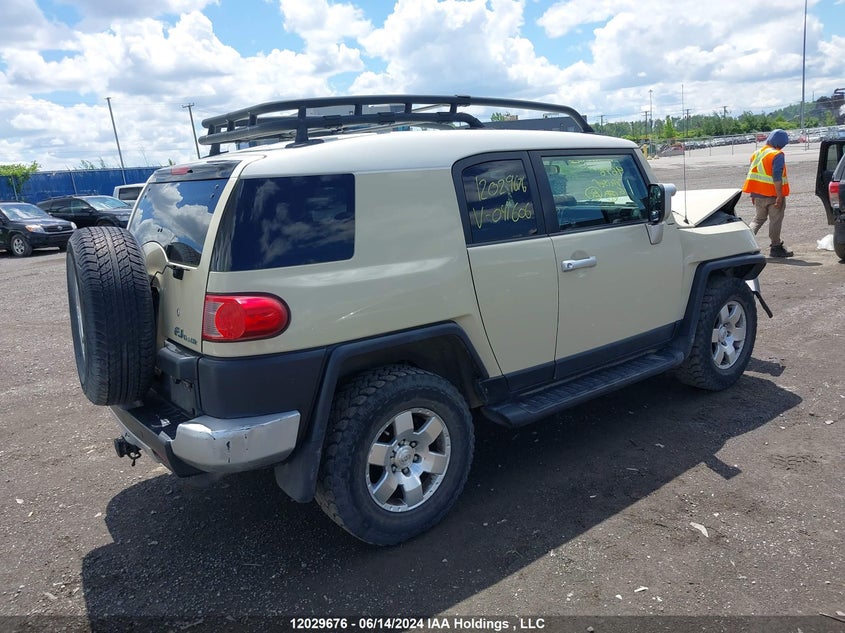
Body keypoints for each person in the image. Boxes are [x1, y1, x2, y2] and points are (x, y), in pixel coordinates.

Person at [741, 129, 793, 257]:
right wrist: (779, 196)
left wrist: (753, 194)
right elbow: (777, 177)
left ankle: (744, 244)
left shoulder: (756, 153)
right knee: (775, 221)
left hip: (758, 194)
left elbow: (752, 174)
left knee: (758, 219)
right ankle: (776, 247)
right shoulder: (777, 154)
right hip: (773, 195)